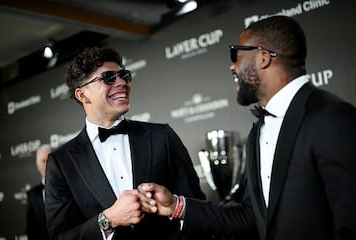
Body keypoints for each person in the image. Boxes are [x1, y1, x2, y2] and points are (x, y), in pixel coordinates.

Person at [138, 15, 356, 240]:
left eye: (237, 55)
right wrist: (177, 206)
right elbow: (251, 217)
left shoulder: (333, 117)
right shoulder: (258, 132)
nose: (232, 66)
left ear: (263, 57)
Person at [44, 46, 206, 240]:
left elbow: (197, 209)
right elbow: (60, 236)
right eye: (108, 78)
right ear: (82, 95)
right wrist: (108, 220)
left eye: (124, 75)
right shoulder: (62, 162)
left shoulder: (162, 136)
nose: (121, 82)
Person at [26, 144, 53, 240]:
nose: (47, 164)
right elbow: (31, 229)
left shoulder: (68, 188)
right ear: (38, 165)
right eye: (43, 161)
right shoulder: (32, 195)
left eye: (50, 159)